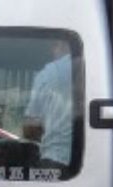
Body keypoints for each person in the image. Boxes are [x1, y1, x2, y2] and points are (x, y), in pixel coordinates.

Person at [24, 40, 75, 170]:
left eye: (54, 46)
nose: (52, 52)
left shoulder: (48, 74)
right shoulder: (92, 68)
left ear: (61, 44)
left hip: (55, 160)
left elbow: (30, 128)